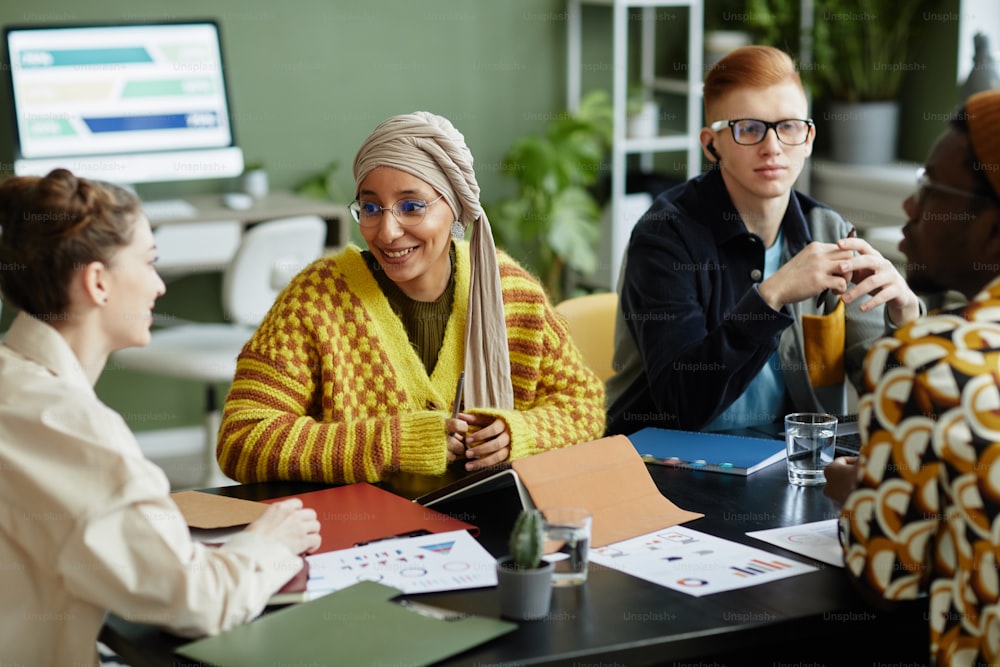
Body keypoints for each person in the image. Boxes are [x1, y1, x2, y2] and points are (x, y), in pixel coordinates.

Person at [0, 169, 322, 665]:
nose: (158, 287)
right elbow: (197, 602)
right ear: (98, 282)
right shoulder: (70, 428)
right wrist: (269, 542)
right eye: (150, 264)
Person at [217, 112, 606, 485]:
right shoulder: (315, 300)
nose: (386, 231)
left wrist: (520, 432)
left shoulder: (514, 296)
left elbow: (584, 408)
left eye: (412, 207)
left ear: (454, 206)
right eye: (370, 208)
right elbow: (242, 437)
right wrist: (394, 443)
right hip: (359, 537)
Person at [605, 45, 923, 436]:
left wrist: (905, 318)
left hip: (790, 466)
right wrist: (770, 298)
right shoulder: (663, 239)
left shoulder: (833, 234)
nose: (772, 147)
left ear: (808, 139)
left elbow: (891, 401)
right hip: (664, 469)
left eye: (788, 126)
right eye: (749, 129)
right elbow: (681, 405)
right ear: (711, 144)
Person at [824, 89, 1000, 666]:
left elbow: (887, 583)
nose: (908, 205)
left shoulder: (928, 360)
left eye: (929, 187)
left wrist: (861, 499)